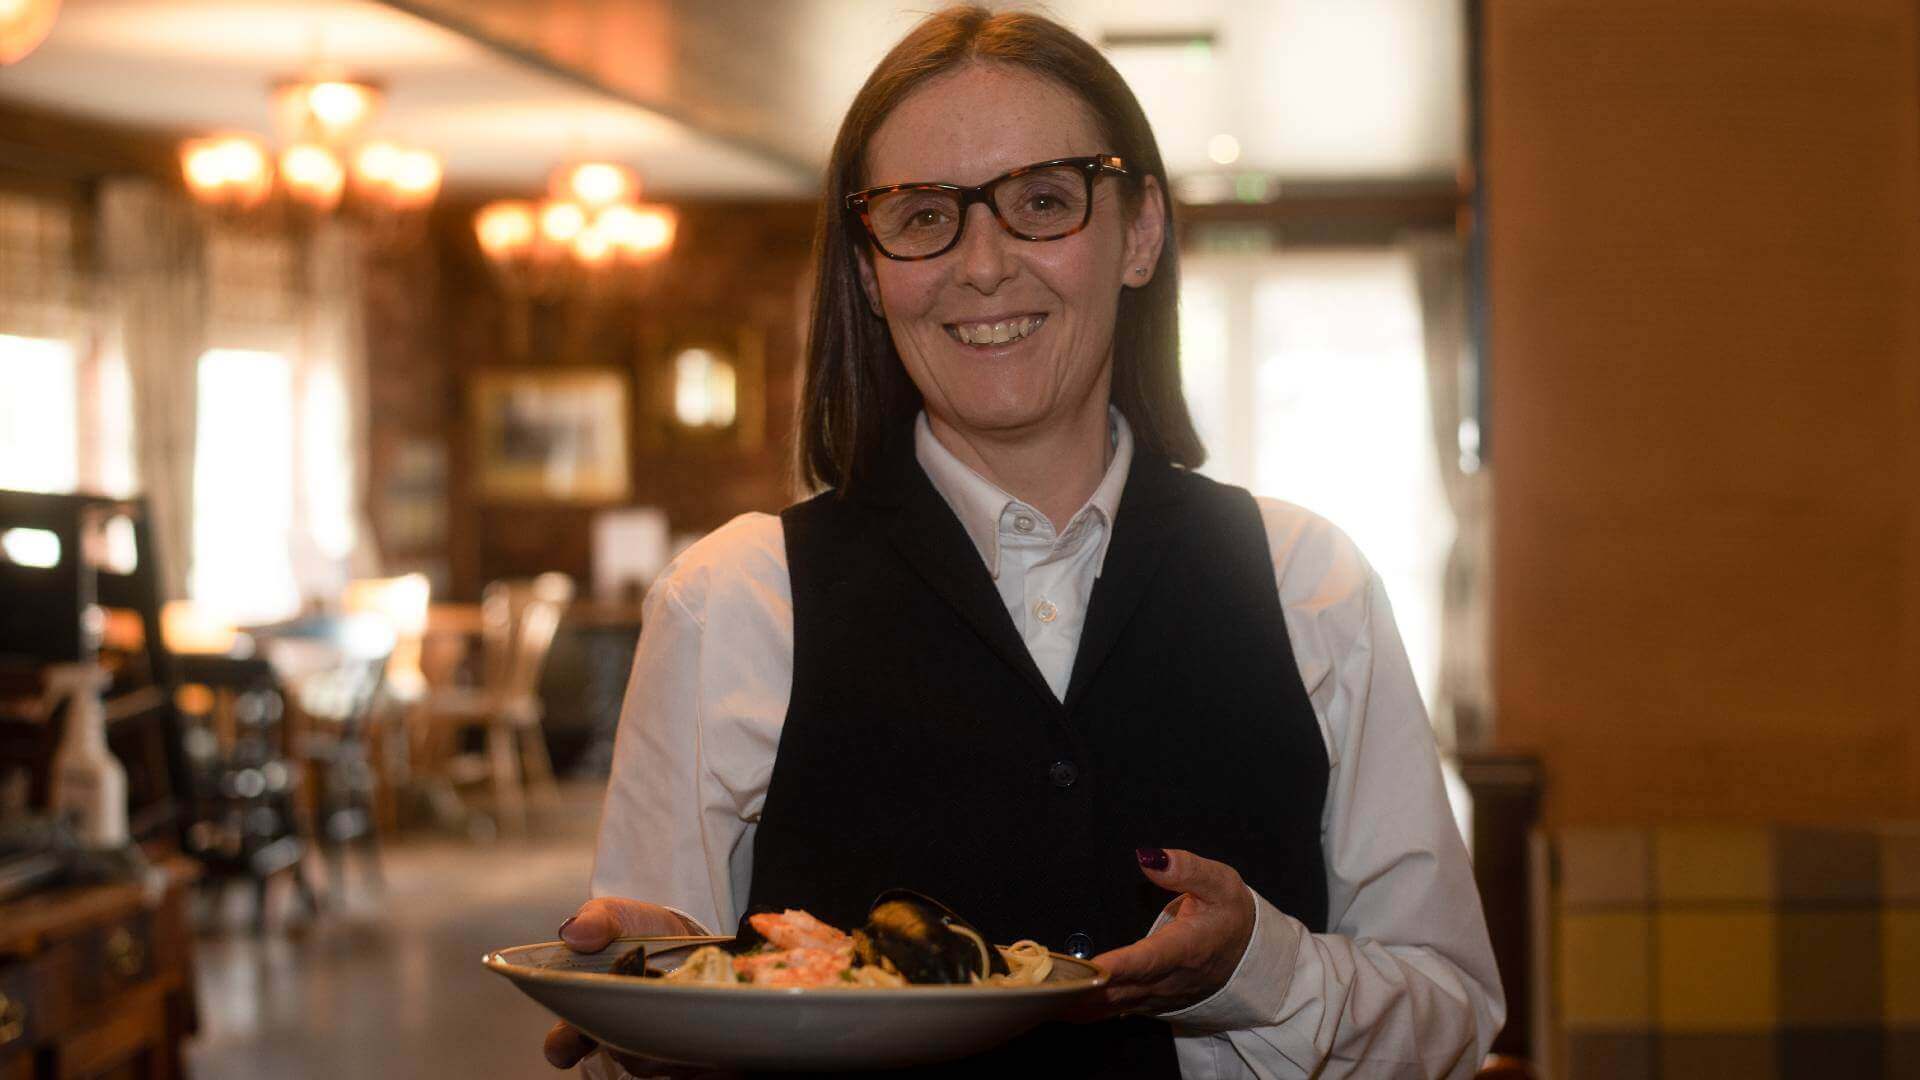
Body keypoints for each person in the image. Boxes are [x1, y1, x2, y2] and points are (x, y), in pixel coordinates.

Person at [546, 6, 1502, 1078]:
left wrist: (1257, 971)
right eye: (921, 218)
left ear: (1139, 232)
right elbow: (670, 1001)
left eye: (1043, 203)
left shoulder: (1308, 583)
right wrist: (656, 1021)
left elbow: (1452, 1014)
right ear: (868, 270)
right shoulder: (734, 599)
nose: (984, 265)